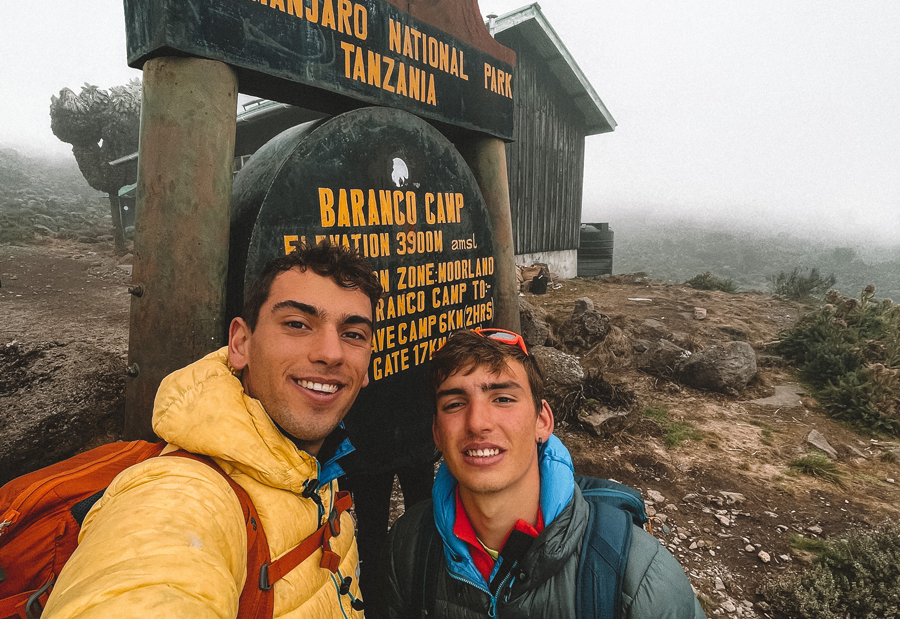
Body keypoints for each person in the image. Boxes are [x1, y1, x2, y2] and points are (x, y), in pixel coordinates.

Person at [42, 241, 382, 619]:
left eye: (353, 334)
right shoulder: (180, 499)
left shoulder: (313, 464)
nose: (331, 353)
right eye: (298, 325)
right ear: (240, 343)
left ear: (366, 364)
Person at [375, 328, 707, 619]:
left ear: (542, 421)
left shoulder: (636, 574)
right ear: (436, 432)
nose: (477, 422)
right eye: (454, 404)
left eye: (503, 398)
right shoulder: (410, 546)